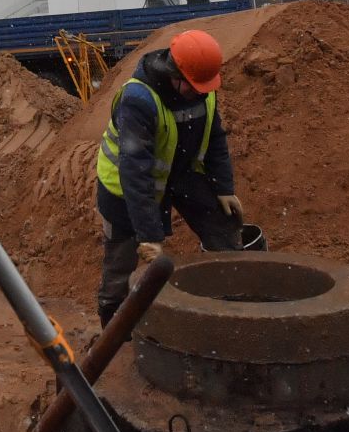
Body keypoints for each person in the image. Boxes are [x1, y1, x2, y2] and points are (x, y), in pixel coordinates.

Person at [94, 29, 241, 326]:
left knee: (224, 225)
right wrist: (149, 236)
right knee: (120, 269)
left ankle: (230, 297)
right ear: (175, 74)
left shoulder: (202, 89)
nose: (201, 93)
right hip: (123, 190)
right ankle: (113, 331)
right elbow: (135, 174)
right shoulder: (138, 99)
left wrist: (224, 188)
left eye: (205, 87)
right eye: (194, 87)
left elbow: (215, 139)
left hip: (180, 175)